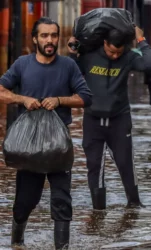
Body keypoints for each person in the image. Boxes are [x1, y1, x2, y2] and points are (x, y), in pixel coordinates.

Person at [0, 17, 92, 249]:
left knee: (62, 200)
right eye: (44, 35)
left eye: (53, 35)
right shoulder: (22, 64)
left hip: (59, 145)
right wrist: (23, 99)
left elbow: (85, 98)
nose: (49, 40)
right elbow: (1, 90)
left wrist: (60, 100)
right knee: (25, 201)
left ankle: (62, 247)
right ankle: (17, 242)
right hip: (29, 146)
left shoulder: (68, 66)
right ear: (35, 39)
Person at [68, 26, 151, 210]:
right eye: (111, 51)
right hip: (92, 119)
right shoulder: (89, 56)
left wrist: (141, 40)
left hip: (119, 119)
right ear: (104, 43)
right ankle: (98, 210)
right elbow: (70, 72)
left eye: (119, 52)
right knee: (95, 165)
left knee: (125, 163)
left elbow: (150, 65)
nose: (115, 56)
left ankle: (134, 204)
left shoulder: (129, 57)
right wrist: (72, 52)